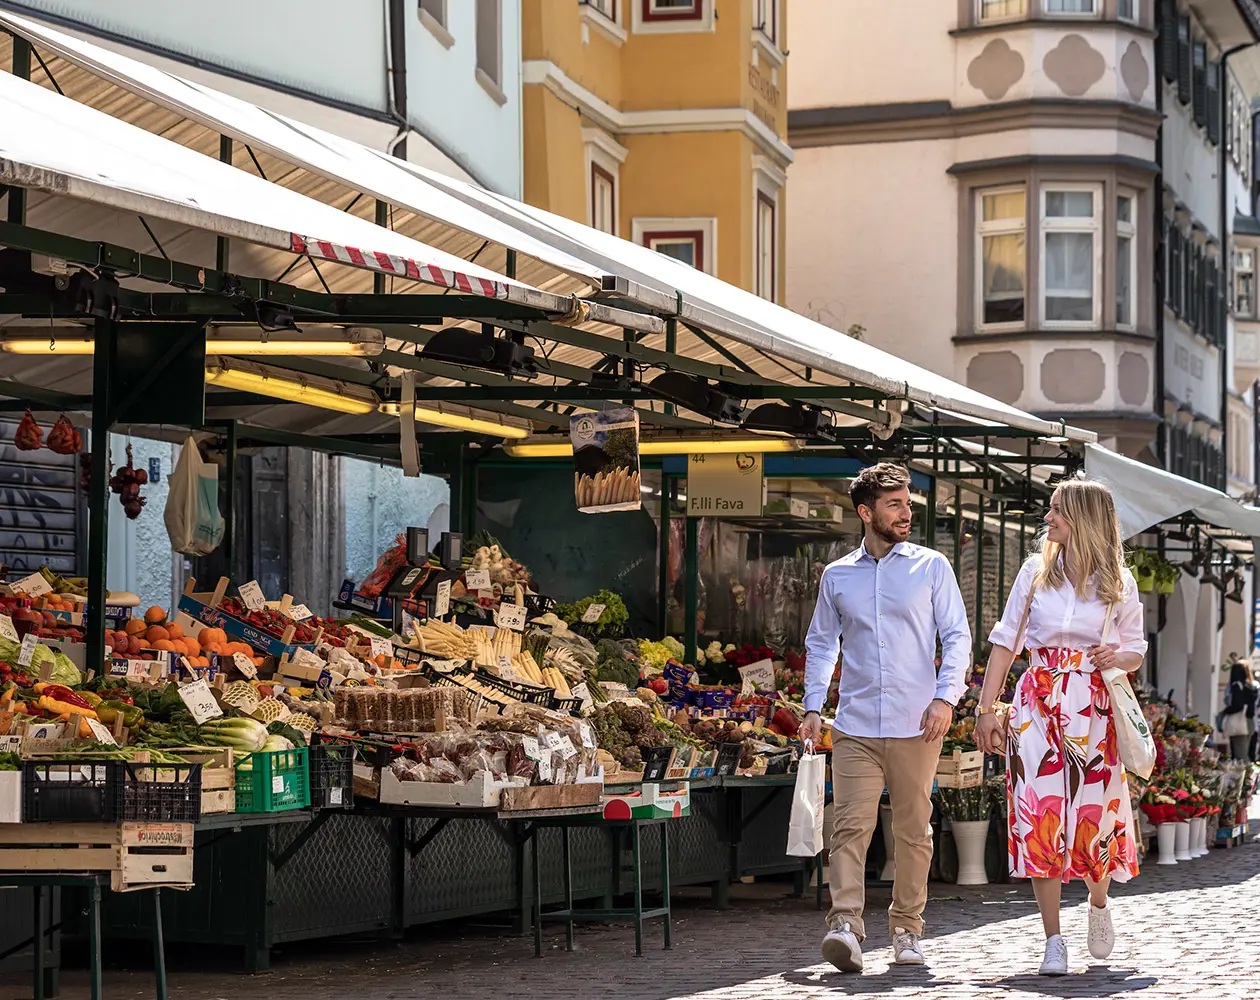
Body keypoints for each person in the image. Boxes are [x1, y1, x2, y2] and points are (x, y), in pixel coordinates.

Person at [800, 462, 971, 973]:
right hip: (854, 724)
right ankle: (846, 925)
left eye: (907, 502)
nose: (906, 511)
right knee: (850, 827)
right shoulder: (837, 575)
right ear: (865, 512)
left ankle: (907, 931)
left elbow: (957, 637)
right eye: (894, 504)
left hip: (917, 724)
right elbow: (821, 643)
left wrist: (946, 698)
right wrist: (813, 706)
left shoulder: (932, 567)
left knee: (914, 832)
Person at [974, 478, 1145, 977]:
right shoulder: (1035, 571)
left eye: (1057, 511)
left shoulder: (1119, 581)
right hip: (1037, 706)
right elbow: (1006, 642)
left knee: (1095, 817)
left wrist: (1118, 654)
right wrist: (987, 709)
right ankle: (1052, 940)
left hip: (1093, 707)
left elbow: (1136, 649)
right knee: (1038, 815)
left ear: (1083, 519)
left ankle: (1097, 901)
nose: (1047, 519)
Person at [1221, 660, 1258, 761]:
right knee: (1246, 753)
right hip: (1250, 722)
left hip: (1239, 722)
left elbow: (1238, 705)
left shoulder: (1237, 685)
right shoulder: (1252, 686)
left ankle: (1245, 776)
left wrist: (1225, 712)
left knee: (1240, 755)